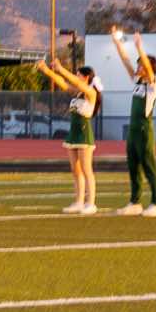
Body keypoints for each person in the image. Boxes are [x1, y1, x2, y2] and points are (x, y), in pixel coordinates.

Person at [107, 31, 156, 217]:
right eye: (138, 64)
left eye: (141, 65)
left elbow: (148, 68)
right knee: (133, 166)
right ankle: (135, 202)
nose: (138, 67)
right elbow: (125, 61)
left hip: (144, 129)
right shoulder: (138, 81)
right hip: (133, 129)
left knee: (149, 166)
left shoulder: (154, 84)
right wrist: (117, 43)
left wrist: (139, 46)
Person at [37, 55, 99, 215]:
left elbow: (76, 82)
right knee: (75, 169)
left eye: (78, 75)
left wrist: (61, 68)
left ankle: (91, 203)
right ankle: (79, 201)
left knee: (86, 169)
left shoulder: (90, 92)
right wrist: (46, 70)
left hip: (84, 133)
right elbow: (62, 83)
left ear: (86, 77)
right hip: (73, 132)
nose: (76, 77)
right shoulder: (77, 93)